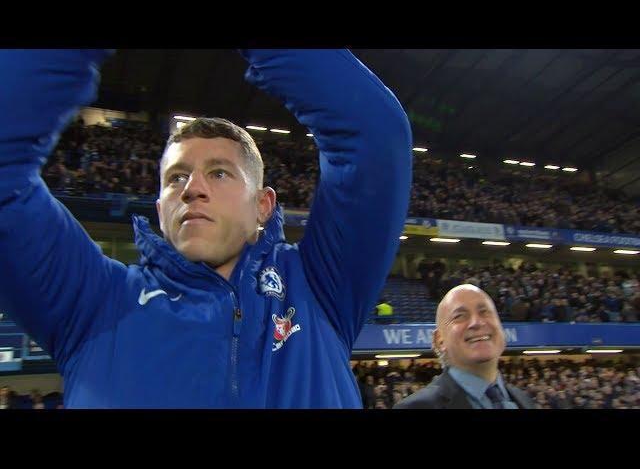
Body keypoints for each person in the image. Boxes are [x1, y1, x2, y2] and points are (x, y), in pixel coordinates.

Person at [0, 49, 412, 408]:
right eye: (176, 178)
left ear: (263, 206)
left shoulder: (320, 287)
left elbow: (374, 135)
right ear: (161, 210)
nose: (192, 189)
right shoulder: (93, 302)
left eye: (218, 173)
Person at [394, 284, 534, 409]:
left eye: (485, 312)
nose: (477, 322)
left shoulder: (524, 400)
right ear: (439, 340)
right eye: (460, 316)